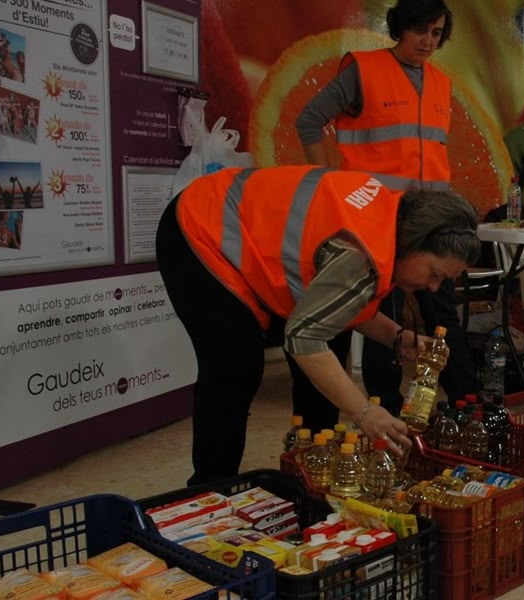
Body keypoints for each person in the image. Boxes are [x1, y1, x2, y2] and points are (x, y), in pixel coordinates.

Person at [155, 165, 481, 485]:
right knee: (235, 365)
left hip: (234, 226)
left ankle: (311, 474)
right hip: (203, 228)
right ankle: (211, 489)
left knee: (330, 343)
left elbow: (340, 309)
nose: (434, 288)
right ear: (415, 243)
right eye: (435, 274)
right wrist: (364, 411)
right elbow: (303, 335)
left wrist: (394, 336)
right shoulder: (360, 255)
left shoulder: (390, 221)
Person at [294, 0, 478, 429]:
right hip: (377, 224)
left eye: (436, 33)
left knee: (443, 319)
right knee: (380, 319)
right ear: (400, 28)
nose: (428, 42)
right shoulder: (362, 70)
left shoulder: (441, 83)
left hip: (433, 228)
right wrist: (326, 184)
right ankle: (386, 415)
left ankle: (470, 408)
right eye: (420, 31)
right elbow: (309, 121)